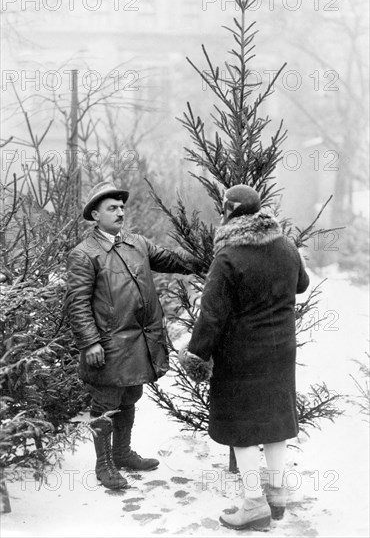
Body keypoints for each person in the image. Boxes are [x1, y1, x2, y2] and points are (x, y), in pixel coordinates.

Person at [178, 184, 310, 531]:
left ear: (229, 211)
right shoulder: (286, 246)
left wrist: (196, 354)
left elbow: (212, 315)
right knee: (274, 419)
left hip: (241, 353)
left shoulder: (229, 256)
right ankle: (277, 494)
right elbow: (302, 284)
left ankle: (253, 503)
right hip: (281, 348)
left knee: (242, 427)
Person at [65, 181, 203, 490]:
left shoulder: (137, 243)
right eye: (112, 208)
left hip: (140, 340)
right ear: (95, 215)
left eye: (121, 207)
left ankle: (123, 453)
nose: (120, 212)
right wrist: (89, 342)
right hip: (109, 344)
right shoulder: (84, 254)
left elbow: (173, 261)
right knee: (106, 401)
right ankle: (104, 465)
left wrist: (206, 259)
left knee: (131, 395)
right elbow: (76, 303)